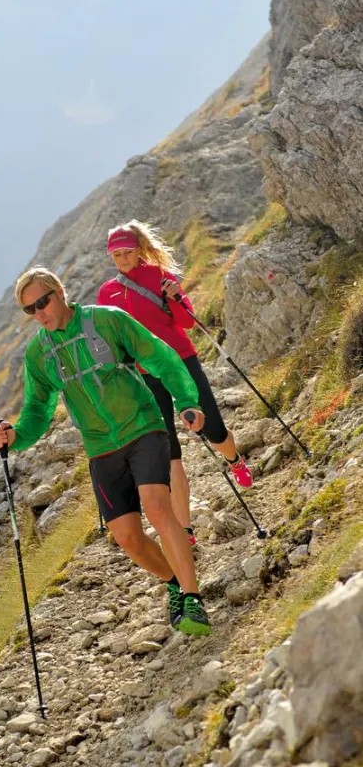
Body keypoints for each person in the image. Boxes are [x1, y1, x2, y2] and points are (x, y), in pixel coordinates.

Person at [0, 265, 212, 636]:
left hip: (143, 426)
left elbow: (161, 358)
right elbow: (37, 411)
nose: (39, 313)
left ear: (60, 292)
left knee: (158, 507)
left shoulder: (108, 320)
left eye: (43, 302)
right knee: (127, 537)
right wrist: (15, 436)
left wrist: (187, 401)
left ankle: (193, 600)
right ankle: (175, 582)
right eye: (30, 309)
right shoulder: (38, 354)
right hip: (100, 447)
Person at [97, 220, 252, 548]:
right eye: (116, 255)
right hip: (144, 375)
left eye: (127, 252)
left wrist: (175, 298)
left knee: (212, 428)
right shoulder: (107, 293)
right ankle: (185, 531)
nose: (123, 259)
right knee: (169, 452)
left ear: (139, 249)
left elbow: (186, 322)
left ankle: (234, 460)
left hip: (180, 361)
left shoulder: (160, 276)